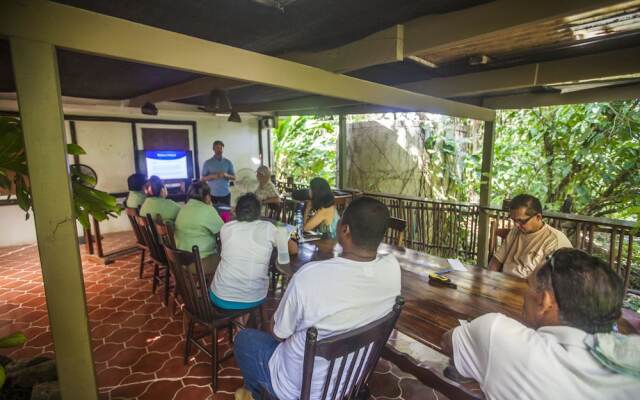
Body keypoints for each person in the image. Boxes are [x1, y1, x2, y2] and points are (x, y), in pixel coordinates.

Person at [233, 197, 401, 400]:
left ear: (344, 229)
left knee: (246, 339)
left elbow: (278, 333)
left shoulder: (310, 276)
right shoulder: (392, 269)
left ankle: (258, 395)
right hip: (347, 384)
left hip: (296, 388)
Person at [441, 248, 640, 399]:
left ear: (544, 302)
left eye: (528, 285)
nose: (524, 292)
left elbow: (448, 340)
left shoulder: (496, 333)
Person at [209, 193, 296, 310]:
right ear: (259, 211)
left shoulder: (226, 228)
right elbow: (294, 250)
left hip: (219, 295)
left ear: (236, 210)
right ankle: (240, 322)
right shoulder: (269, 228)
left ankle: (237, 322)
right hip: (252, 297)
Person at [489, 194, 572, 278]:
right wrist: (491, 279)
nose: (516, 225)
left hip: (531, 288)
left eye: (521, 221)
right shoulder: (516, 230)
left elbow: (551, 281)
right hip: (505, 282)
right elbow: (496, 261)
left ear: (538, 217)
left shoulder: (554, 240)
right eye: (514, 220)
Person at [174, 181, 224, 276]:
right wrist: (210, 206)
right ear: (207, 196)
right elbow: (223, 233)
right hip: (200, 263)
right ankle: (218, 287)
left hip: (181, 260)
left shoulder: (183, 208)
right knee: (229, 258)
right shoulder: (207, 210)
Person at [201, 140, 235, 205]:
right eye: (217, 148)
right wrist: (213, 176)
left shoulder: (228, 162)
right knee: (213, 214)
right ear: (213, 149)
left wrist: (226, 175)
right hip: (212, 195)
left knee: (225, 214)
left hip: (225, 194)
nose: (219, 150)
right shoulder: (208, 163)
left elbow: (234, 177)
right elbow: (202, 179)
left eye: (221, 148)